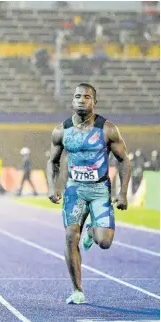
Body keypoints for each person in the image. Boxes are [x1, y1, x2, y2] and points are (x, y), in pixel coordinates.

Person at [47, 83, 131, 304]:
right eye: (77, 96)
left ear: (95, 102)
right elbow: (52, 161)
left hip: (100, 189)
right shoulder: (61, 130)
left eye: (87, 96)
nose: (81, 100)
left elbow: (123, 160)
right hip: (75, 189)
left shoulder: (108, 129)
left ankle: (93, 233)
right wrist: (52, 186)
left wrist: (122, 193)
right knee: (69, 236)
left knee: (104, 242)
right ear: (72, 101)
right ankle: (77, 290)